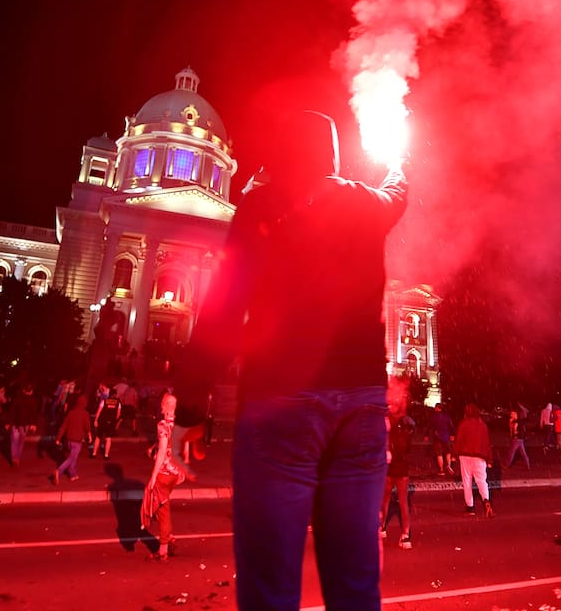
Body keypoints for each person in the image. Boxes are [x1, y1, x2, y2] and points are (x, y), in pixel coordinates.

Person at [189, 109, 407, 611]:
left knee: (270, 584)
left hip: (280, 402)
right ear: (330, 153)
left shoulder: (261, 205)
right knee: (355, 585)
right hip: (359, 407)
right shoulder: (364, 202)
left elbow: (225, 301)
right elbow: (399, 194)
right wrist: (398, 163)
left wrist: (194, 397)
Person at [141, 392, 188, 562]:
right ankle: (169, 538)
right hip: (176, 474)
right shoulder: (179, 426)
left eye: (162, 403)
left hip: (164, 474)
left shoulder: (162, 425)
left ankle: (163, 550)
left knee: (162, 510)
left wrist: (153, 476)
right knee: (162, 504)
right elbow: (184, 449)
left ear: (164, 406)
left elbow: (162, 451)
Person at [380, 383, 415, 549]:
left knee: (385, 500)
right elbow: (408, 447)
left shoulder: (386, 423)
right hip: (402, 468)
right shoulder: (407, 424)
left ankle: (382, 527)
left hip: (390, 467)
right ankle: (405, 535)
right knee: (403, 503)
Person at [453, 403, 495, 517]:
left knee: (467, 481)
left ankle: (470, 507)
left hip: (465, 455)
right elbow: (487, 443)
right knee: (482, 480)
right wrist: (490, 459)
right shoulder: (483, 425)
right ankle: (486, 500)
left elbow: (459, 440)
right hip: (479, 456)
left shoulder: (464, 424)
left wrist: (454, 454)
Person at [53, 393, 91, 484]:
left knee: (73, 457)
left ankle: (73, 475)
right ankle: (59, 471)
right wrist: (89, 436)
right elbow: (87, 427)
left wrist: (58, 438)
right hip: (77, 440)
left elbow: (64, 427)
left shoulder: (71, 413)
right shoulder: (85, 414)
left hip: (68, 439)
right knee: (72, 458)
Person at [6, 384, 39, 467]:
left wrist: (9, 423)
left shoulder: (17, 398)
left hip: (16, 423)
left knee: (15, 440)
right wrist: (34, 424)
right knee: (21, 441)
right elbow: (34, 413)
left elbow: (12, 411)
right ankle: (17, 458)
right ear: (31, 391)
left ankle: (14, 458)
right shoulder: (33, 400)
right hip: (25, 425)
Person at [93, 388, 122, 459]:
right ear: (115, 394)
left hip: (102, 421)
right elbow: (118, 414)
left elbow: (99, 412)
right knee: (108, 439)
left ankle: (94, 453)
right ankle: (106, 455)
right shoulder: (118, 403)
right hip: (111, 423)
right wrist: (114, 420)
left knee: (98, 437)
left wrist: (96, 420)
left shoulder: (104, 401)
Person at [429, 403, 456, 476]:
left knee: (439, 453)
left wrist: (426, 435)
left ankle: (441, 470)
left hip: (437, 437)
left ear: (437, 408)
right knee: (448, 452)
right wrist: (452, 434)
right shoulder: (446, 416)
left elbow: (430, 426)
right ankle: (449, 466)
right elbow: (451, 426)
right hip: (446, 436)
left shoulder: (434, 417)